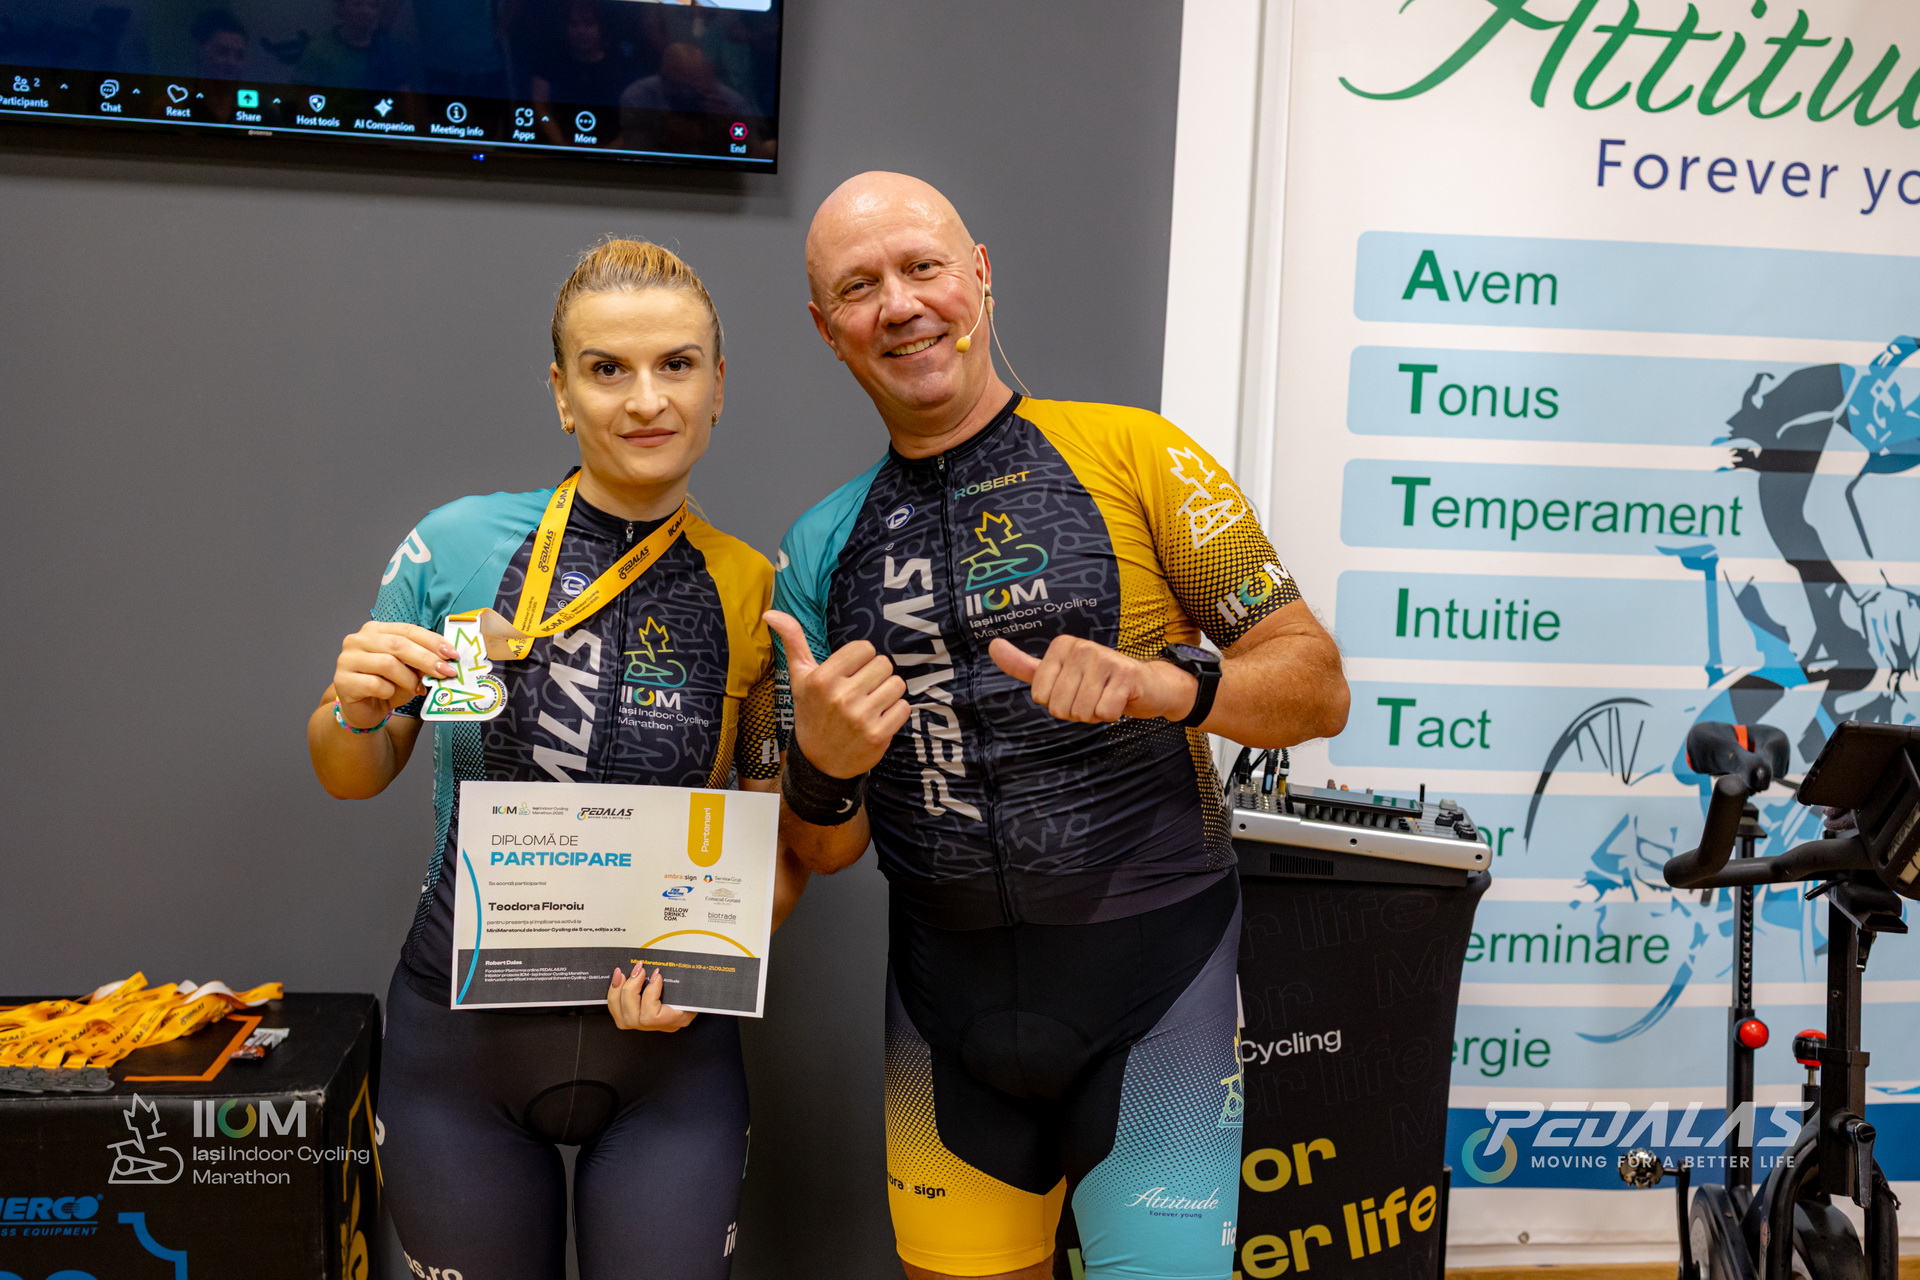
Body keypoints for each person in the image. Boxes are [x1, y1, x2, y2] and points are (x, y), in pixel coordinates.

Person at [767, 172, 1350, 1280]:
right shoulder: (818, 547)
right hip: (942, 1019)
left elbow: (1316, 684)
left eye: (924, 266)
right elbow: (825, 849)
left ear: (980, 274)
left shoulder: (1137, 455)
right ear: (825, 328)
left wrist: (1169, 685)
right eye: (859, 286)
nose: (900, 304)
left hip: (1156, 990)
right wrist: (824, 770)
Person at [307, 240, 803, 1280]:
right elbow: (355, 769)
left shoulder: (753, 590)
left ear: (718, 386)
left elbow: (777, 841)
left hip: (669, 1051)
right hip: (460, 1051)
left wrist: (706, 958)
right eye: (606, 368)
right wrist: (352, 708)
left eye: (676, 364)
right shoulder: (460, 548)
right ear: (562, 392)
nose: (646, 399)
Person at [293, 0, 410, 93]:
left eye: (373, 5)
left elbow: (403, 92)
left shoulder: (389, 49)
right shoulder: (319, 47)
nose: (366, 11)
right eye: (357, 4)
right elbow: (303, 93)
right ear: (340, 7)